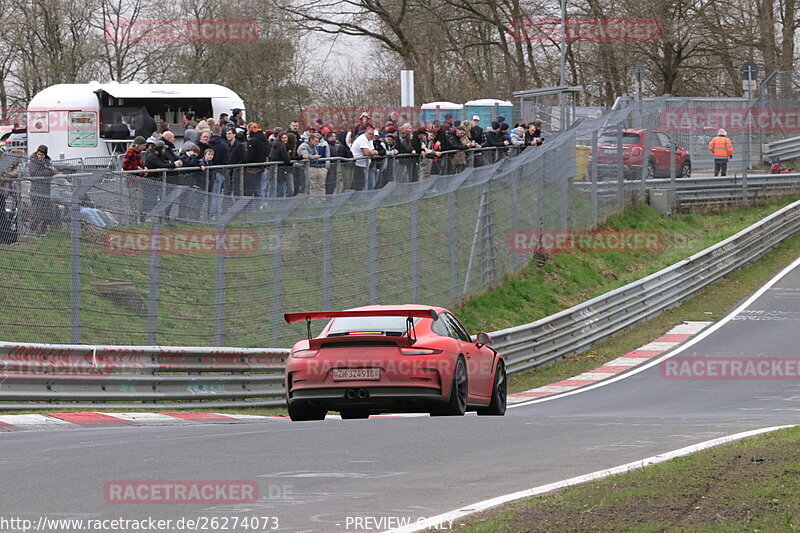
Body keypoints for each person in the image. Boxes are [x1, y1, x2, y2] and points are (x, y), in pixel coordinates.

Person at [28, 145, 58, 236]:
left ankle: (43, 232)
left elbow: (53, 171)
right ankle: (32, 231)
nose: (40, 156)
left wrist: (49, 171)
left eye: (42, 155)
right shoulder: (33, 162)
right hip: (36, 191)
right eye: (39, 154)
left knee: (47, 213)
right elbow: (34, 174)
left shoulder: (47, 162)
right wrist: (47, 172)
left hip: (46, 191)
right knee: (37, 213)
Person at [351, 125, 379, 190]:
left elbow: (372, 150)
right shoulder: (362, 139)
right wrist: (372, 152)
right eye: (370, 134)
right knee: (359, 185)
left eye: (372, 134)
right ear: (366, 132)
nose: (371, 136)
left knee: (367, 184)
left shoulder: (370, 140)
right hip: (358, 165)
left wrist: (372, 152)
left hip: (366, 165)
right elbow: (367, 152)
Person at [245, 123, 269, 197]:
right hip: (262, 165)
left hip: (252, 167)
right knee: (260, 186)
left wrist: (244, 160)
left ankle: (255, 205)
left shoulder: (253, 141)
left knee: (253, 188)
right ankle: (260, 204)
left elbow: (250, 155)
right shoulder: (265, 140)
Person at [268, 132, 292, 197]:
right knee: (280, 187)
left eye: (286, 137)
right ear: (280, 138)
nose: (285, 139)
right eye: (283, 138)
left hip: (275, 169)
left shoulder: (276, 145)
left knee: (274, 187)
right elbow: (287, 160)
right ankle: (278, 204)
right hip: (280, 170)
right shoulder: (281, 146)